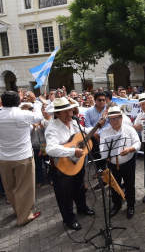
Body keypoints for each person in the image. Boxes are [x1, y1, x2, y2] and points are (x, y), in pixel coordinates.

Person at [0, 91, 46, 226]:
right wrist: (34, 102)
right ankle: (25, 216)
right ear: (19, 102)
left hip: (3, 158)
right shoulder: (24, 114)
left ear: (2, 102)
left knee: (10, 187)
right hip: (23, 158)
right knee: (25, 188)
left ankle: (18, 211)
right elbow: (39, 116)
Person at [45, 97, 97, 230]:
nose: (69, 113)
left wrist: (97, 127)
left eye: (70, 110)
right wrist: (72, 151)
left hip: (77, 164)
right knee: (65, 195)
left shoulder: (74, 122)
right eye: (65, 111)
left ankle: (82, 208)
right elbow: (50, 149)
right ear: (56, 114)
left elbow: (84, 131)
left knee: (80, 188)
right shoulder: (52, 128)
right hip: (61, 168)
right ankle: (69, 219)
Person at [100, 106, 141, 219]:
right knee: (114, 185)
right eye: (111, 119)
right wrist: (106, 155)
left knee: (129, 185)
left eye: (116, 118)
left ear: (121, 118)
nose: (113, 121)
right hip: (113, 163)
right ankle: (117, 205)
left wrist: (129, 150)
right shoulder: (105, 132)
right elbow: (102, 147)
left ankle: (130, 205)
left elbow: (137, 143)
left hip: (128, 161)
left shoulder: (130, 129)